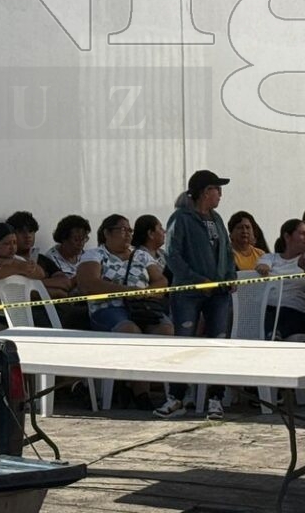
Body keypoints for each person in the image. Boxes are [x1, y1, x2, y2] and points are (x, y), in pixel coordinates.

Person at [157, 169, 235, 420]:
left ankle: (215, 399)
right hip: (189, 292)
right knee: (184, 342)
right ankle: (177, 397)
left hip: (219, 292)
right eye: (216, 189)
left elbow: (227, 250)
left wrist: (230, 276)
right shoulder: (180, 218)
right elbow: (172, 254)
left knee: (218, 342)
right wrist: (196, 279)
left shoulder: (218, 219)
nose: (220, 194)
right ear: (204, 192)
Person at [78, 214, 172, 409]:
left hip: (142, 307)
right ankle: (141, 391)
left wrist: (147, 293)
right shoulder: (94, 255)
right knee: (130, 331)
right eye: (122, 230)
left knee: (165, 329)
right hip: (109, 308)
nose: (128, 234)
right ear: (107, 233)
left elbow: (161, 281)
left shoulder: (141, 255)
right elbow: (88, 284)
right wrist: (126, 292)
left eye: (130, 230)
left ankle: (134, 382)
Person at [38, 215, 93, 329]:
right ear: (64, 238)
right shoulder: (51, 258)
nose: (81, 243)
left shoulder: (87, 256)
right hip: (67, 306)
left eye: (84, 239)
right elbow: (62, 288)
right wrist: (81, 277)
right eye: (76, 239)